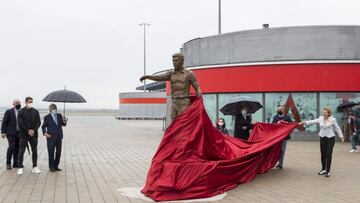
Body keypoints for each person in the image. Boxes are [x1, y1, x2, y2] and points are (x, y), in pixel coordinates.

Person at [139, 53, 202, 122]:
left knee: (184, 123)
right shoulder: (171, 74)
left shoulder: (189, 73)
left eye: (176, 61)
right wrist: (147, 77)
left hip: (184, 102)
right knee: (173, 123)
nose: (174, 63)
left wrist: (199, 96)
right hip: (174, 102)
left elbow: (197, 86)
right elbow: (159, 77)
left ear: (182, 61)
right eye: (173, 61)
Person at [299, 107, 344, 178]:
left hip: (330, 138)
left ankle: (328, 171)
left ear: (328, 113)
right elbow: (312, 121)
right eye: (323, 112)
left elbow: (337, 129)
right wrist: (304, 122)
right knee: (323, 154)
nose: (323, 113)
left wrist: (341, 137)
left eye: (325, 112)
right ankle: (323, 169)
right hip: (322, 137)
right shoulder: (320, 118)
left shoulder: (333, 120)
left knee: (328, 154)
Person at [17, 97, 42, 175]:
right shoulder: (21, 111)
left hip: (34, 134)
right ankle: (20, 167)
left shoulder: (35, 111)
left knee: (34, 150)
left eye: (31, 102)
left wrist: (33, 130)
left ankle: (35, 167)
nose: (30, 103)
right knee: (21, 151)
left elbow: (39, 122)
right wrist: (28, 130)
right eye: (29, 102)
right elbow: (20, 123)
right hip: (24, 134)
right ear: (25, 102)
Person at [42, 104, 67, 172]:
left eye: (55, 108)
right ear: (50, 110)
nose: (54, 110)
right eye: (53, 109)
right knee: (51, 152)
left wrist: (65, 120)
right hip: (50, 137)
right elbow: (43, 126)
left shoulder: (59, 115)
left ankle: (56, 166)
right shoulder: (46, 117)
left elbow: (63, 124)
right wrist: (45, 133)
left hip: (59, 137)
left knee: (58, 152)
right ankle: (51, 167)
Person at [1, 99, 21, 170]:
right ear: (13, 104)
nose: (18, 104)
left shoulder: (21, 111)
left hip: (19, 133)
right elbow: (4, 122)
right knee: (11, 147)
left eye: (19, 102)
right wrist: (3, 132)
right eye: (16, 103)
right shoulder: (9, 111)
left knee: (17, 148)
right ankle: (8, 163)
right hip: (10, 133)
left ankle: (15, 163)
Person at [272, 105, 293, 169]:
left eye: (280, 109)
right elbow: (272, 125)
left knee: (282, 150)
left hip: (284, 137)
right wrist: (277, 123)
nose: (279, 110)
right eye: (278, 109)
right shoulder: (275, 117)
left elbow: (292, 124)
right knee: (276, 149)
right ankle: (275, 162)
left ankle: (280, 164)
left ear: (283, 110)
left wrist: (286, 122)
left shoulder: (287, 117)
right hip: (277, 137)